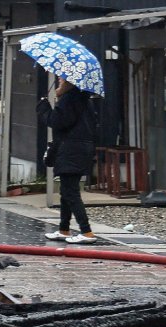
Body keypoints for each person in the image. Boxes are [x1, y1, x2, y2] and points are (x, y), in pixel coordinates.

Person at [37, 78, 97, 244]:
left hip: (71, 149)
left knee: (70, 192)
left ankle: (86, 231)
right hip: (79, 148)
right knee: (66, 191)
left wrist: (44, 109)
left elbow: (57, 122)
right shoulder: (83, 98)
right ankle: (64, 229)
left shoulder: (71, 98)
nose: (58, 79)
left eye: (62, 78)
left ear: (70, 81)